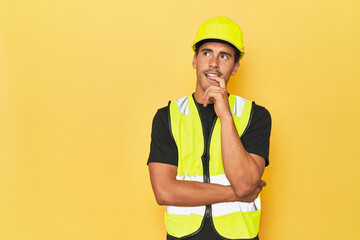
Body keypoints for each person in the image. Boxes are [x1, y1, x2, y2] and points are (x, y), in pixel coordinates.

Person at [147, 16, 271, 240]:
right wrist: (233, 194)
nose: (214, 63)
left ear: (235, 67)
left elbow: (245, 183)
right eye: (206, 53)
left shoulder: (256, 116)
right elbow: (164, 191)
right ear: (195, 60)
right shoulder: (167, 117)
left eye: (224, 56)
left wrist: (225, 115)